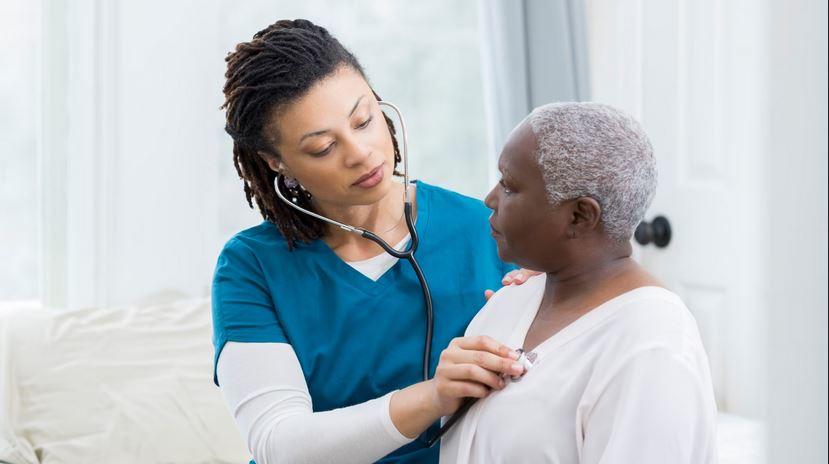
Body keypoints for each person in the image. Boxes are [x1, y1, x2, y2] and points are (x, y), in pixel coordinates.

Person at [213, 19, 534, 464]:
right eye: (323, 147)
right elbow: (279, 444)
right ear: (275, 162)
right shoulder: (252, 267)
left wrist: (549, 310)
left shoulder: (488, 228)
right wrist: (435, 396)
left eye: (364, 120)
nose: (361, 152)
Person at [439, 102, 718, 463]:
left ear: (579, 216)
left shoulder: (652, 349)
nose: (490, 199)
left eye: (509, 186)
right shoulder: (511, 301)